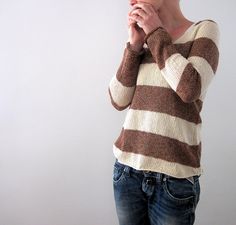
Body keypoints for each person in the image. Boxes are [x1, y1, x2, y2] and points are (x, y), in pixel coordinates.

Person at [108, 0, 220, 224]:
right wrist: (134, 46)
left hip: (174, 180)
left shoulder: (204, 30)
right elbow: (117, 99)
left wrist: (156, 32)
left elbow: (190, 89)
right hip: (127, 172)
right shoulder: (144, 40)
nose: (131, 1)